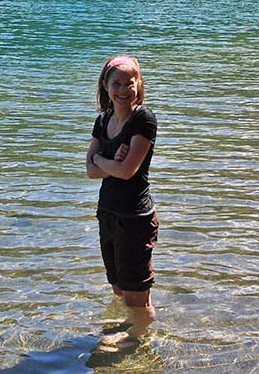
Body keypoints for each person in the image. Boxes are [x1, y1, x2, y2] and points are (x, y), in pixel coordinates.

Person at [86, 54, 158, 344]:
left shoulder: (143, 119)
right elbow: (90, 170)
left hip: (134, 217)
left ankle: (137, 339)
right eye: (116, 83)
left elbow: (127, 171)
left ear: (138, 84)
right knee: (118, 288)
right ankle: (132, 328)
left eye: (130, 83)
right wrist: (107, 161)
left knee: (136, 296)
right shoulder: (103, 120)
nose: (123, 89)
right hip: (108, 213)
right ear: (105, 85)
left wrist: (102, 161)